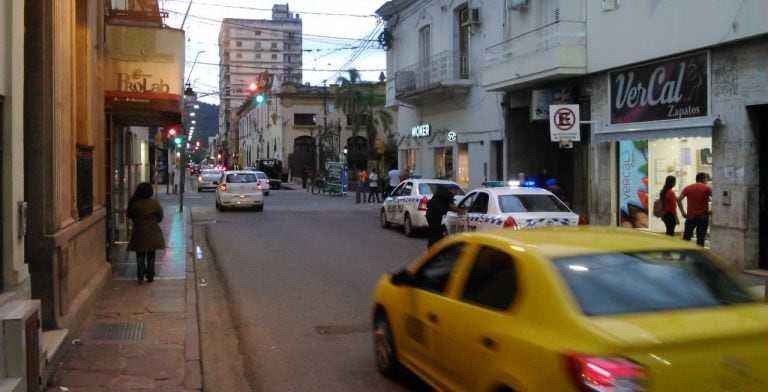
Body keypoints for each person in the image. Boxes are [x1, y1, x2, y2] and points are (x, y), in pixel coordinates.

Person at [127, 182, 165, 284]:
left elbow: (131, 217)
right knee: (151, 254)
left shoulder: (135, 204)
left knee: (140, 254)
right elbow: (160, 217)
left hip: (139, 233)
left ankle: (140, 274)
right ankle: (150, 275)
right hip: (153, 232)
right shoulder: (154, 203)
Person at [677, 172, 712, 246]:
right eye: (706, 179)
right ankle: (698, 257)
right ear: (704, 179)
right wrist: (711, 211)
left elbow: (678, 199)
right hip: (703, 217)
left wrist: (683, 213)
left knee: (686, 238)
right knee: (700, 239)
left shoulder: (688, 188)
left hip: (690, 216)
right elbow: (717, 199)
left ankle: (683, 257)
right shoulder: (707, 188)